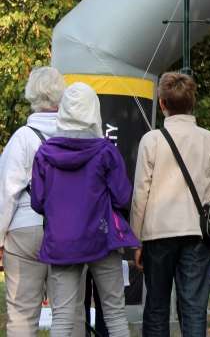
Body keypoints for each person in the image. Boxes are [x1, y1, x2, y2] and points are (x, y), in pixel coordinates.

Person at [30, 82, 139, 337]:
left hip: (61, 242)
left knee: (62, 319)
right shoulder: (106, 152)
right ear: (94, 110)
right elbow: (123, 196)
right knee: (114, 315)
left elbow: (37, 201)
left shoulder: (45, 154)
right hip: (102, 238)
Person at [130, 72, 210, 336]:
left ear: (162, 103)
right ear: (192, 102)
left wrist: (136, 240)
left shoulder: (151, 140)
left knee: (156, 307)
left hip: (157, 234)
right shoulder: (209, 139)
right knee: (194, 308)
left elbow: (140, 194)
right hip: (197, 233)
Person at [0, 67, 83, 336]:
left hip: (25, 229)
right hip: (69, 230)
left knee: (22, 314)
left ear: (31, 96)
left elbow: (6, 193)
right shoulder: (77, 137)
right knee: (70, 314)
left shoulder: (21, 138)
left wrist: (0, 238)